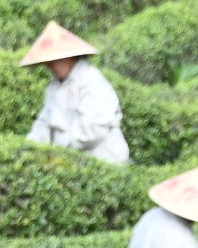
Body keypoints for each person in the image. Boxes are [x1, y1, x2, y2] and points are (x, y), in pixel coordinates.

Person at [21, 22, 128, 166]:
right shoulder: (55, 86)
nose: (50, 66)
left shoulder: (91, 80)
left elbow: (94, 128)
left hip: (104, 161)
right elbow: (45, 122)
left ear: (69, 57)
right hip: (71, 161)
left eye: (54, 61)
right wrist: (29, 148)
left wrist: (62, 148)